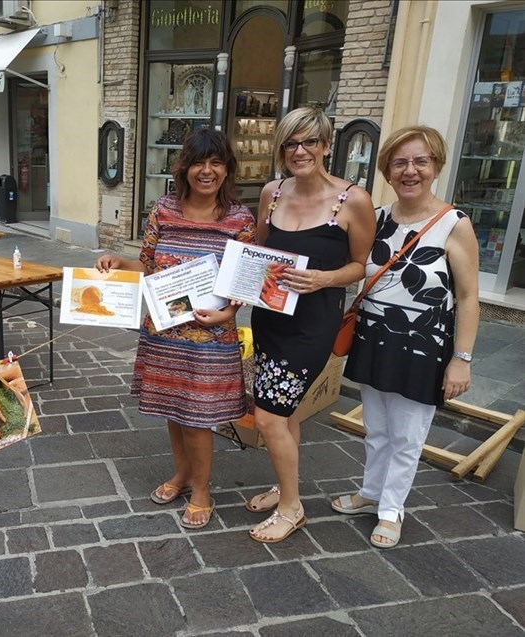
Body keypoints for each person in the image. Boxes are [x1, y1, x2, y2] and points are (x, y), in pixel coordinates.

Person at [95, 129, 256, 530]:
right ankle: (183, 475)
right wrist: (116, 261)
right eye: (199, 162)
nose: (207, 171)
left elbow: (246, 284)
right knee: (173, 408)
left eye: (216, 162)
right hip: (164, 331)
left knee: (199, 416)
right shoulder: (163, 210)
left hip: (209, 337)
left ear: (226, 168)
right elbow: (147, 264)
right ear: (184, 168)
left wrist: (229, 314)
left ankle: (202, 491)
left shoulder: (240, 219)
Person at [333, 126, 479, 548]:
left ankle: (392, 509)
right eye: (400, 163)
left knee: (408, 434)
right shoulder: (375, 218)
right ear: (387, 170)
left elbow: (469, 298)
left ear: (435, 167)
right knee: (377, 427)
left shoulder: (454, 223)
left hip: (423, 345)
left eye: (420, 161)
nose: (410, 170)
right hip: (375, 336)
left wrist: (462, 359)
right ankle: (371, 492)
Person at [245, 107, 376, 543]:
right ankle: (287, 487)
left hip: (312, 325)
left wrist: (324, 278)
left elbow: (361, 265)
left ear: (325, 145)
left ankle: (291, 508)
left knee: (267, 418)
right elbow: (264, 255)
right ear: (281, 149)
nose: (299, 151)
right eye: (290, 144)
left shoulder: (352, 199)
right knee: (286, 413)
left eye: (309, 142)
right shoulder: (272, 193)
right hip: (269, 318)